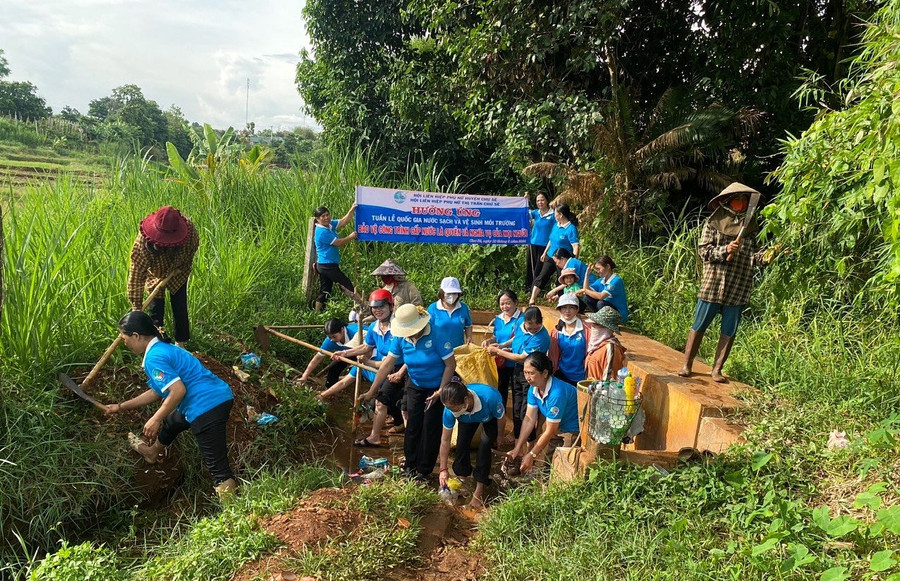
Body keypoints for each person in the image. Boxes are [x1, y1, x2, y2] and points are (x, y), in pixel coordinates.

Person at [103, 311, 236, 496]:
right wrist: (120, 406)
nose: (124, 344)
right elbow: (158, 391)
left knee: (218, 469)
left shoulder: (153, 357)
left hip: (206, 406)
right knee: (174, 421)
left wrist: (156, 418)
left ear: (136, 336)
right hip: (218, 395)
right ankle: (152, 452)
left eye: (124, 339)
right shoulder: (164, 348)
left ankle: (233, 515)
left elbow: (178, 391)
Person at [678, 182, 768, 383]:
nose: (743, 203)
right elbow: (704, 251)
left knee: (729, 330)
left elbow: (756, 257)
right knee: (699, 325)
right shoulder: (713, 223)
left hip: (739, 285)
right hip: (713, 285)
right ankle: (687, 364)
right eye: (739, 199)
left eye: (746, 200)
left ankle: (717, 370)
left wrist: (768, 256)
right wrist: (725, 250)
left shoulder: (751, 228)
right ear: (729, 201)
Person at [360, 304, 457, 479]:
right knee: (412, 425)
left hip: (437, 385)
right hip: (415, 384)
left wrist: (441, 390)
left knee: (430, 427)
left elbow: (451, 365)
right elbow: (387, 365)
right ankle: (410, 466)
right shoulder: (400, 338)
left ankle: (424, 470)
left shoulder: (437, 334)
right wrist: (371, 393)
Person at [325, 290, 407, 446]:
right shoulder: (375, 327)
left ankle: (380, 435)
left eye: (382, 306)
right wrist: (345, 352)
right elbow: (366, 347)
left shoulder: (397, 327)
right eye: (375, 307)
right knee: (384, 401)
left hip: (401, 367)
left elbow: (389, 360)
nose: (378, 310)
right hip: (386, 367)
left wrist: (370, 387)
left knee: (387, 402)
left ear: (391, 306)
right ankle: (379, 435)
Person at [128, 206, 199, 346]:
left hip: (179, 271)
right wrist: (136, 308)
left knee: (180, 307)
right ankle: (159, 343)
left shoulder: (190, 233)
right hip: (155, 274)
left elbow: (192, 249)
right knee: (155, 311)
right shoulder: (142, 244)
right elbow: (135, 278)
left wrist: (180, 267)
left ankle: (181, 343)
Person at [506, 352, 580, 474]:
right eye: (525, 372)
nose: (527, 377)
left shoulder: (556, 394)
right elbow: (529, 419)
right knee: (548, 465)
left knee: (565, 466)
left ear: (545, 373)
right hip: (558, 427)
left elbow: (550, 430)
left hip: (572, 429)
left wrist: (532, 454)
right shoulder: (533, 388)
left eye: (531, 373)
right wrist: (517, 447)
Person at [487, 306, 550, 442]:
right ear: (525, 322)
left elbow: (522, 358)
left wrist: (498, 352)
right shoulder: (520, 323)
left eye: (536, 326)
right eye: (530, 326)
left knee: (527, 411)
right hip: (518, 371)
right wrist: (503, 345)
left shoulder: (542, 338)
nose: (533, 329)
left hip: (532, 373)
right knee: (516, 407)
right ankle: (517, 439)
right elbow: (516, 338)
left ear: (541, 321)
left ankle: (529, 441)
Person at [438, 380, 504, 508]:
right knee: (461, 444)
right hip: (466, 418)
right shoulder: (450, 410)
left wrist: (500, 436)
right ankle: (462, 479)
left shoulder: (490, 398)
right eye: (449, 408)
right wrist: (443, 469)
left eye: (455, 408)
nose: (452, 411)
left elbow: (501, 418)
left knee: (485, 446)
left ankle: (479, 491)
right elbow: (445, 440)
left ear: (466, 399)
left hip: (488, 417)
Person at [481, 289, 521, 444]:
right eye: (502, 304)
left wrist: (501, 347)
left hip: (516, 362)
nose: (505, 306)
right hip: (501, 363)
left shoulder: (522, 319)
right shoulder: (498, 319)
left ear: (516, 303)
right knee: (500, 396)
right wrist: (490, 341)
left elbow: (518, 338)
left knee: (518, 400)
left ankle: (517, 434)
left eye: (508, 303)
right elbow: (496, 336)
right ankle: (499, 432)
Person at [528, 206, 580, 305]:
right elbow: (551, 240)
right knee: (543, 275)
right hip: (551, 255)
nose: (554, 215)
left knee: (562, 279)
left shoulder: (571, 228)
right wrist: (544, 253)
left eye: (556, 213)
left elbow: (575, 245)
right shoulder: (556, 225)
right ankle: (532, 298)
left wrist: (574, 261)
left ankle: (562, 300)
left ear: (561, 215)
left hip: (563, 259)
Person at [313, 205, 358, 311]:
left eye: (327, 215)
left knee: (326, 291)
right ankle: (360, 305)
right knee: (346, 284)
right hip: (327, 265)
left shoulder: (329, 225)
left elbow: (343, 221)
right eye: (323, 216)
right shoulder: (321, 232)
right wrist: (351, 236)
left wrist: (352, 209)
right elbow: (338, 243)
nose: (326, 218)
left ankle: (317, 312)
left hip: (325, 265)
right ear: (318, 219)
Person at [297, 318, 362, 392]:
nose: (332, 339)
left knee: (357, 371)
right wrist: (304, 376)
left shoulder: (356, 332)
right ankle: (329, 390)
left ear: (342, 330)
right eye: (329, 337)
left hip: (367, 352)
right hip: (346, 353)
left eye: (334, 336)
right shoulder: (329, 341)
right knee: (334, 368)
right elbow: (317, 358)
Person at [549, 293, 591, 384]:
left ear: (577, 309)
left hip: (582, 378)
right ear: (559, 310)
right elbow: (553, 356)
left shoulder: (587, 330)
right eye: (564, 307)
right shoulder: (556, 332)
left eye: (571, 307)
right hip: (561, 375)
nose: (567, 311)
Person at [576, 255, 629, 320]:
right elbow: (587, 290)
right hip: (607, 309)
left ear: (608, 267)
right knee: (587, 298)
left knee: (601, 303)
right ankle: (600, 319)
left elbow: (601, 296)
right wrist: (587, 275)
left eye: (599, 269)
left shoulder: (616, 280)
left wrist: (584, 290)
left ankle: (604, 320)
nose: (597, 271)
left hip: (618, 314)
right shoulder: (601, 280)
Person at [427, 276, 473, 349]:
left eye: (454, 293)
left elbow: (468, 325)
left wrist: (469, 336)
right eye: (448, 293)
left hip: (458, 349)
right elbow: (427, 329)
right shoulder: (433, 308)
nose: (451, 296)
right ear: (442, 292)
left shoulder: (463, 307)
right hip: (438, 350)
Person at [585, 306, 626, 381]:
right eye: (593, 324)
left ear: (608, 329)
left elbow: (609, 381)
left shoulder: (610, 349)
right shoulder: (596, 346)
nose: (593, 327)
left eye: (598, 324)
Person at [526, 193, 555, 289]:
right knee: (530, 266)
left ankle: (536, 288)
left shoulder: (553, 214)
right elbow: (524, 213)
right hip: (533, 243)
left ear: (547, 201)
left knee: (539, 268)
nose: (540, 202)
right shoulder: (535, 213)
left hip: (545, 245)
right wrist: (526, 200)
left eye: (542, 200)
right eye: (538, 200)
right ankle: (528, 287)